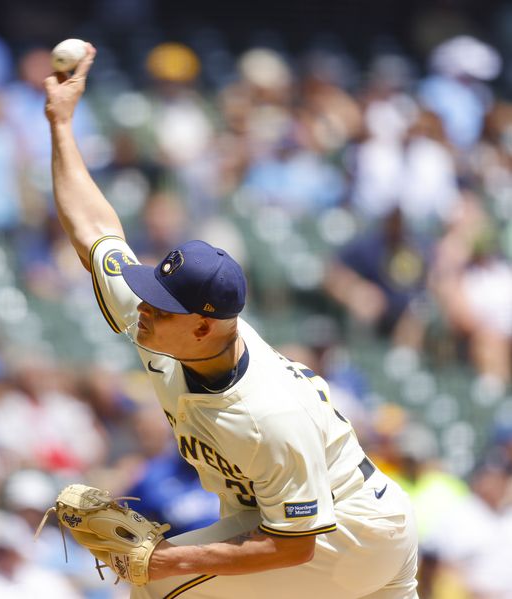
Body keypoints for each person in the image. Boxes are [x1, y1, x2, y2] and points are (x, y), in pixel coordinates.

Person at [44, 45, 419, 599]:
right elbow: (95, 228)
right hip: (361, 524)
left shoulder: (267, 411)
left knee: (154, 587)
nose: (142, 308)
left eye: (159, 306)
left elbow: (293, 546)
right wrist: (61, 124)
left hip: (344, 530)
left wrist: (162, 558)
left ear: (203, 327)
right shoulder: (164, 326)